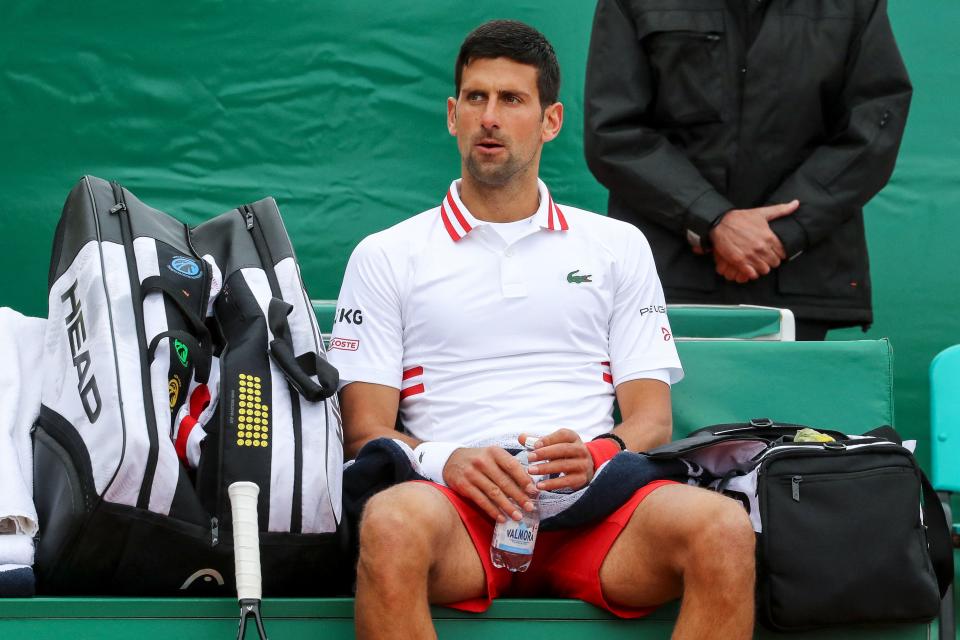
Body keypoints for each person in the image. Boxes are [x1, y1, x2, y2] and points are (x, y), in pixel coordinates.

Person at [328, 20, 755, 639]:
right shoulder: (385, 254)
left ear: (551, 120)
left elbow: (650, 420)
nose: (490, 118)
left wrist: (599, 453)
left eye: (512, 100)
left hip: (596, 514)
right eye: (476, 98)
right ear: (452, 115)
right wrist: (450, 460)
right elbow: (364, 428)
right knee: (390, 523)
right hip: (455, 516)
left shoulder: (617, 245)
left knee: (724, 528)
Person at [584, 0, 912, 340]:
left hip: (797, 277)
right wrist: (712, 220)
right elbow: (613, 132)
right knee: (669, 395)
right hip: (666, 279)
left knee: (784, 394)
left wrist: (782, 233)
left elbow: (875, 126)